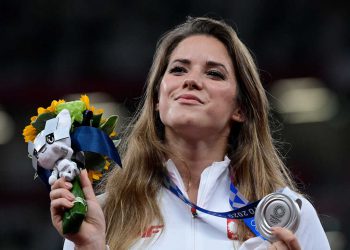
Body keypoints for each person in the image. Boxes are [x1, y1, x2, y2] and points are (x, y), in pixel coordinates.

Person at [50, 17, 330, 249]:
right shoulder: (104, 214)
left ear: (241, 108)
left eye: (214, 74)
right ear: (158, 100)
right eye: (178, 69)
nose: (191, 80)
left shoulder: (287, 215)